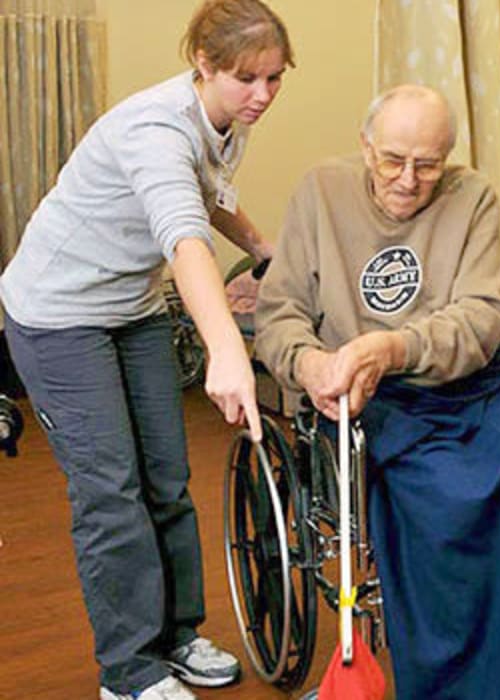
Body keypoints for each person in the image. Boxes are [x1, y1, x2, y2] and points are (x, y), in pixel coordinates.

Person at [254, 85, 500, 699]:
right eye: (392, 160)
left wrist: (391, 348)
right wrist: (310, 365)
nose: (408, 180)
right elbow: (281, 315)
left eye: (428, 164)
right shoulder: (321, 192)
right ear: (365, 146)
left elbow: (480, 318)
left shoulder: (472, 197)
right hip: (374, 404)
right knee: (441, 502)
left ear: (447, 158)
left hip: (471, 387)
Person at [0, 1, 293, 698]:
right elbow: (183, 236)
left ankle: (175, 636)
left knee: (165, 477)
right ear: (203, 64)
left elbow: (207, 195)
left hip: (130, 308)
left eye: (276, 78)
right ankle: (127, 674)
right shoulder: (155, 127)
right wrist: (225, 347)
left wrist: (262, 249)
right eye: (247, 78)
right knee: (111, 492)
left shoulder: (225, 120)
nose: (263, 95)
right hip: (57, 315)